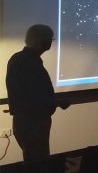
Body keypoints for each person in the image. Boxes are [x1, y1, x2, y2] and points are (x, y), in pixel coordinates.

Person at [5, 24, 69, 161]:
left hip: (28, 122)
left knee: (35, 162)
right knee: (37, 164)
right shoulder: (28, 63)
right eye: (50, 39)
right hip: (32, 124)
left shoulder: (20, 59)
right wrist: (56, 102)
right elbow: (33, 99)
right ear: (42, 40)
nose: (51, 42)